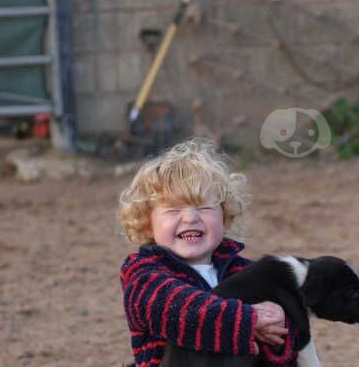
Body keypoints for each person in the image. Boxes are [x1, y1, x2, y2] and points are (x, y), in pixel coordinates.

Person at [119, 138, 298, 366]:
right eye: (173, 210)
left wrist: (279, 320)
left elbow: (287, 344)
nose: (191, 218)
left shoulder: (246, 272)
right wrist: (246, 320)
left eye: (204, 207)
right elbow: (176, 310)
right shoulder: (143, 274)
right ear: (147, 223)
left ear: (224, 217)